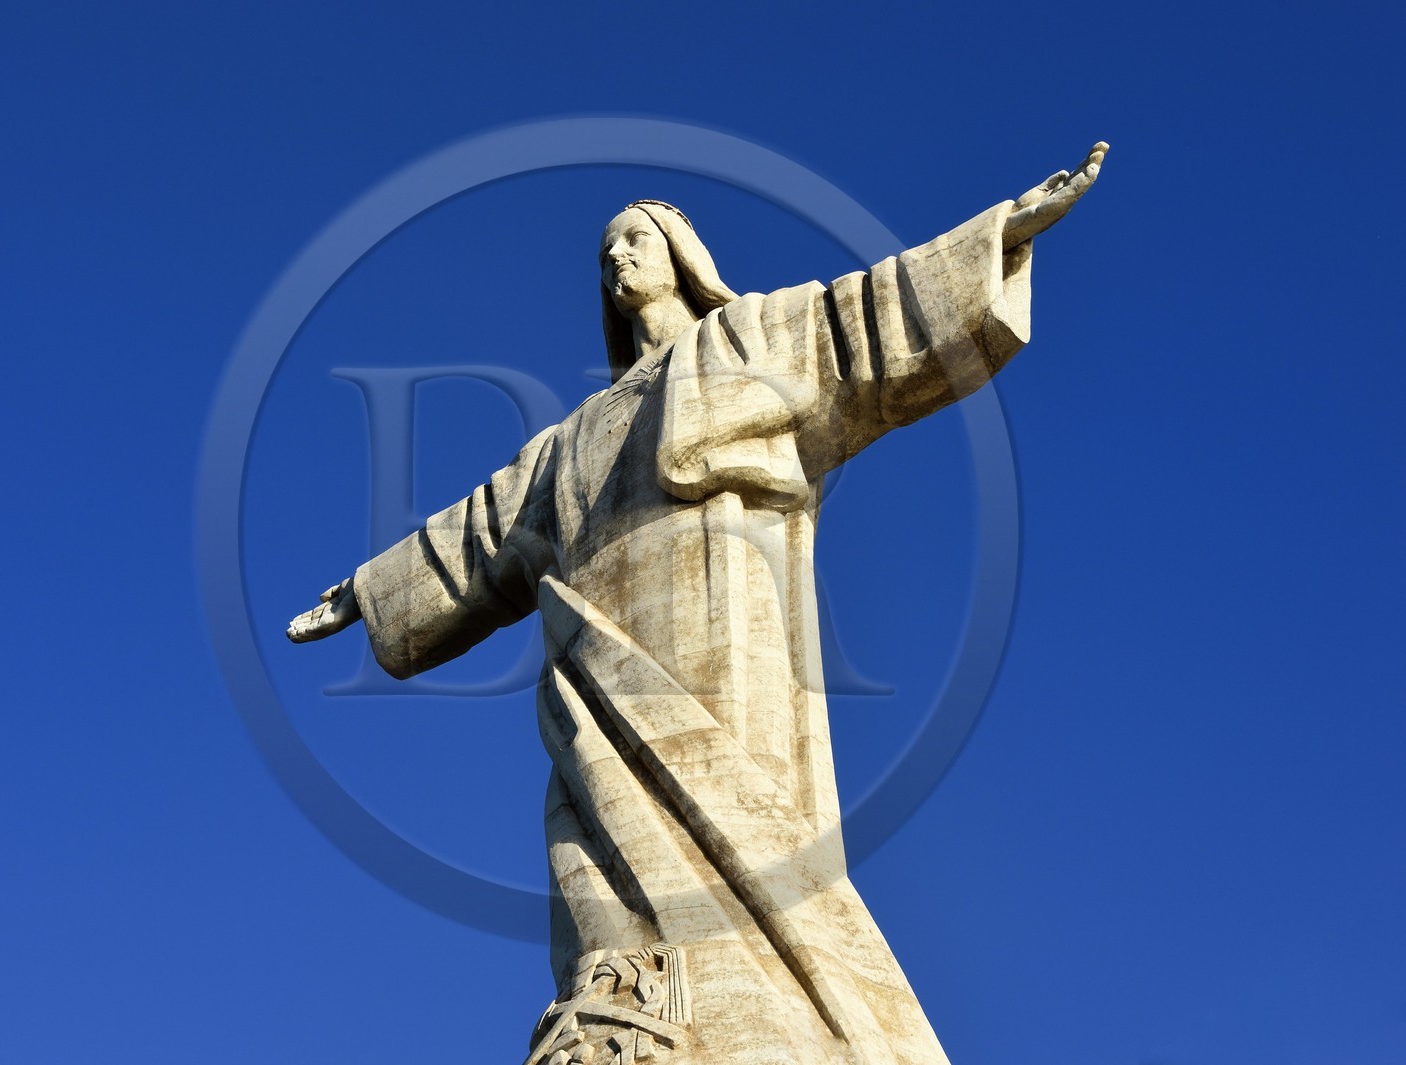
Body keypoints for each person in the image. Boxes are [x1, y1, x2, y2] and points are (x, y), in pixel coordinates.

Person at [288, 144, 1106, 1065]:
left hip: (720, 615)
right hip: (590, 659)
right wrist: (366, 591)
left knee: (740, 810)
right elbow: (479, 531)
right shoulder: (570, 438)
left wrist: (996, 237)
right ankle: (626, 1012)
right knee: (594, 844)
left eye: (634, 239)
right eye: (607, 250)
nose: (617, 258)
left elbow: (858, 320)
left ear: (680, 255)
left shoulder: (748, 337)